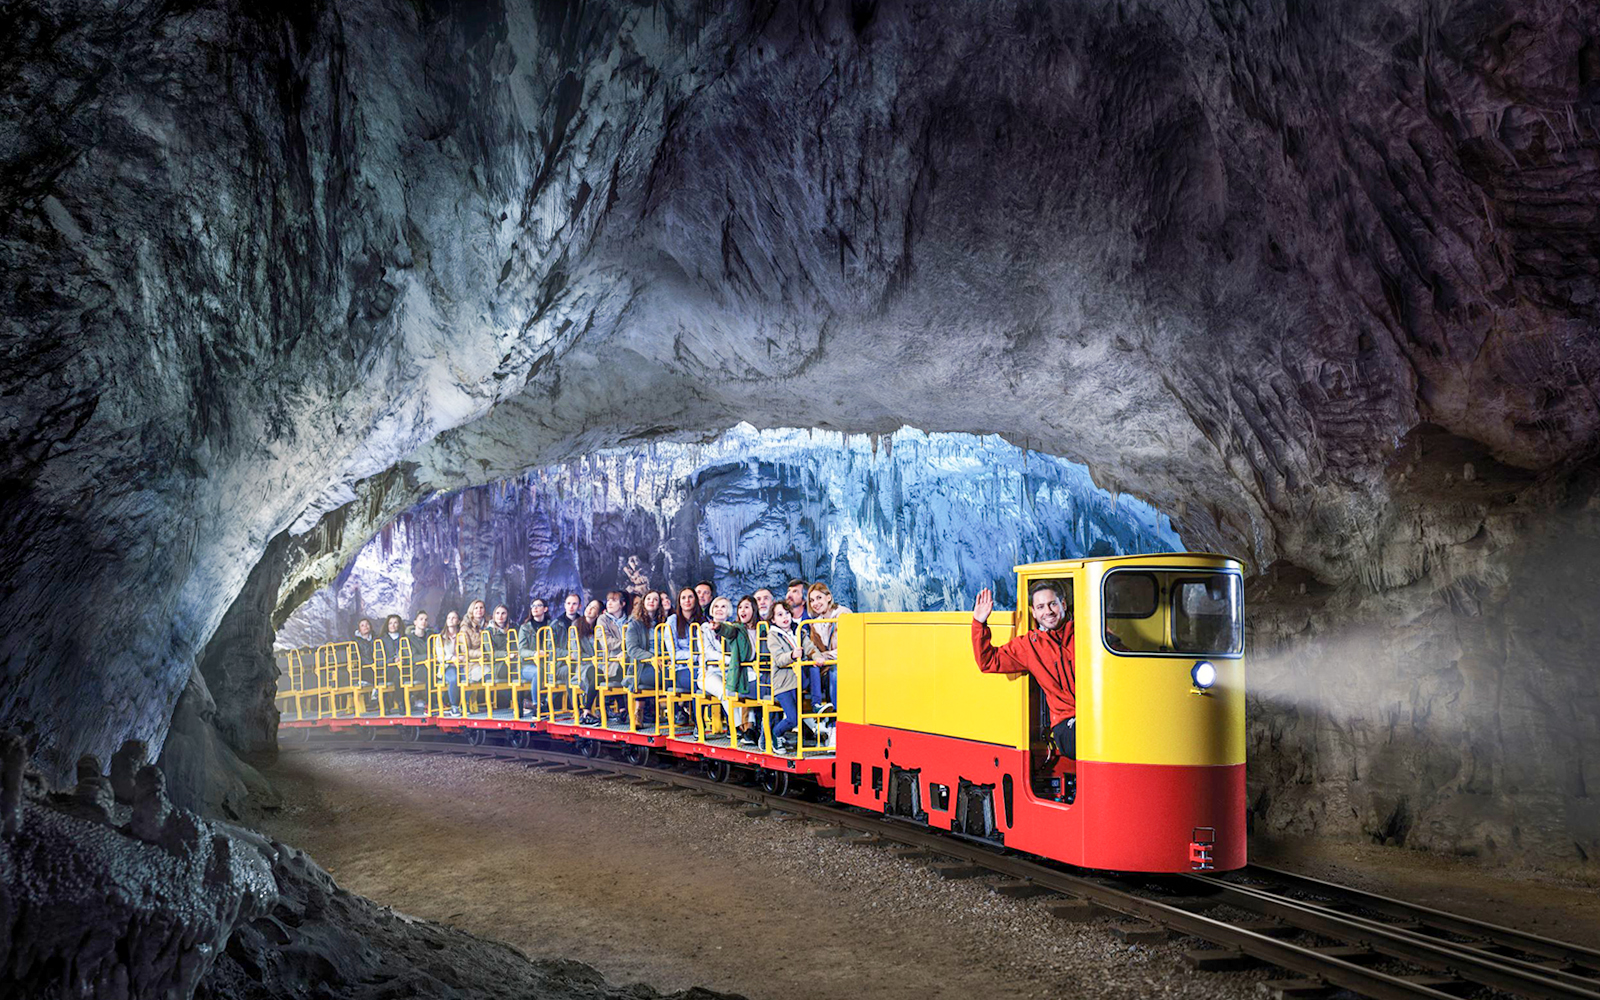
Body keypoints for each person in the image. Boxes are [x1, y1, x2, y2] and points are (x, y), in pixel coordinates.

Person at [971, 580, 1076, 763]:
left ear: (1063, 605)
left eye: (1052, 604)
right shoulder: (1030, 645)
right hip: (1066, 724)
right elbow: (988, 661)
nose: (1048, 612)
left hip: (1100, 714)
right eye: (1041, 607)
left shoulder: (1087, 631)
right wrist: (980, 623)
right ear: (1034, 613)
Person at [701, 596, 755, 746]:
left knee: (747, 684)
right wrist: (731, 660)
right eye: (717, 606)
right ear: (712, 609)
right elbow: (708, 652)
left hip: (732, 671)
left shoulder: (735, 628)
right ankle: (737, 727)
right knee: (726, 691)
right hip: (711, 671)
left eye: (723, 607)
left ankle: (749, 727)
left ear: (729, 611)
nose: (719, 609)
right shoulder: (704, 628)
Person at [800, 582, 849, 713]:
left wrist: (824, 656)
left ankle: (835, 722)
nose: (815, 603)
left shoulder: (843, 615)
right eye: (811, 600)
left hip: (846, 665)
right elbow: (814, 650)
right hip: (826, 667)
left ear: (828, 597)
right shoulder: (814, 624)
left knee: (834, 671)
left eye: (819, 598)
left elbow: (848, 649)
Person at [765, 602, 803, 752]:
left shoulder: (798, 632)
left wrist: (818, 658)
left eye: (787, 613)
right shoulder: (773, 636)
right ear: (773, 620)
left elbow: (811, 648)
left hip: (797, 680)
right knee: (793, 718)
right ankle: (774, 734)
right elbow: (779, 659)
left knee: (799, 715)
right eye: (780, 615)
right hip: (783, 683)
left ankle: (817, 705)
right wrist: (792, 655)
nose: (785, 617)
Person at [669, 587, 700, 726]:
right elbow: (673, 652)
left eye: (690, 597)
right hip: (681, 668)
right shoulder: (672, 621)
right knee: (697, 681)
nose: (687, 601)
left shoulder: (702, 620)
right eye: (683, 598)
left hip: (702, 665)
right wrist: (696, 656)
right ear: (679, 602)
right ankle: (698, 723)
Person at [518, 600, 550, 713]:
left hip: (547, 663)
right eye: (533, 606)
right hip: (528, 665)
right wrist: (534, 654)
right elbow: (521, 650)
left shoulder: (552, 625)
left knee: (559, 672)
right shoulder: (525, 628)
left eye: (539, 606)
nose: (535, 608)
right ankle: (537, 705)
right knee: (538, 671)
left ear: (545, 609)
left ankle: (546, 702)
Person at [375, 614, 406, 713]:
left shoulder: (404, 638)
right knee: (397, 675)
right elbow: (379, 661)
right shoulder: (380, 640)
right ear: (387, 625)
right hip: (387, 670)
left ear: (399, 624)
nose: (393, 625)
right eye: (390, 623)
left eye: (395, 623)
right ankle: (401, 704)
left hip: (405, 667)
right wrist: (392, 660)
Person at [405, 612, 434, 713]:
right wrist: (430, 656)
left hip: (432, 665)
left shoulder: (431, 636)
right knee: (430, 673)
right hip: (416, 669)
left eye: (426, 620)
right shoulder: (408, 639)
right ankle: (430, 702)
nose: (424, 622)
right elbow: (413, 657)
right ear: (415, 622)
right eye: (421, 619)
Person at [437, 610, 464, 716]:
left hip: (462, 664)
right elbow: (440, 657)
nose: (450, 620)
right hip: (448, 666)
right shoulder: (440, 638)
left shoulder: (462, 635)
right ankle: (454, 706)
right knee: (454, 679)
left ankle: (466, 704)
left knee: (470, 677)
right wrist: (452, 658)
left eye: (453, 618)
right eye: (449, 618)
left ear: (458, 621)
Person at [486, 604, 513, 684]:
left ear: (507, 615)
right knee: (516, 670)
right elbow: (491, 653)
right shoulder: (487, 632)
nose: (500, 616)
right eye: (497, 613)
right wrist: (506, 654)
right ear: (494, 615)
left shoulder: (513, 629)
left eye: (503, 613)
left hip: (513, 661)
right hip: (498, 665)